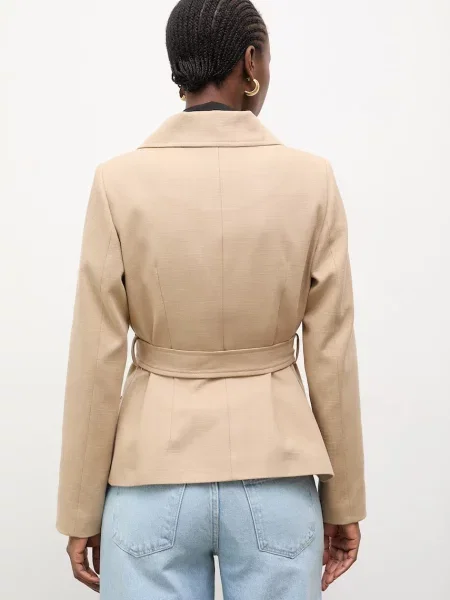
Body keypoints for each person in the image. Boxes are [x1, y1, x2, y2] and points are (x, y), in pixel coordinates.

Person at [56, 0, 366, 597]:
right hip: (277, 476)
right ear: (250, 62)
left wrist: (79, 508)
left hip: (150, 477)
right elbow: (332, 354)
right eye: (266, 59)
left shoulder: (118, 182)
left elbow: (96, 357)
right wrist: (344, 499)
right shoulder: (312, 180)